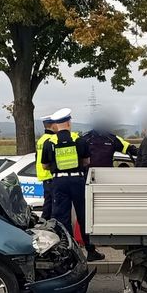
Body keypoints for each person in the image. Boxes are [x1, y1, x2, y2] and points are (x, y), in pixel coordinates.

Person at [41, 108, 106, 262]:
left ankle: (69, 253)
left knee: (62, 217)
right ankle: (91, 251)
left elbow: (44, 166)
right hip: (77, 181)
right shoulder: (79, 140)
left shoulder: (49, 143)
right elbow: (86, 162)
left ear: (55, 125)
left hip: (59, 182)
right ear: (69, 123)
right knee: (83, 215)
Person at [34, 115, 58, 219]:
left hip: (44, 176)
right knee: (53, 205)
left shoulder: (41, 140)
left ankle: (44, 222)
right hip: (50, 175)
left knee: (48, 203)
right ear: (53, 126)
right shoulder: (52, 140)